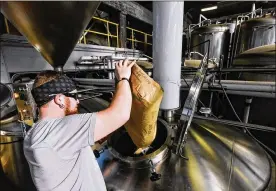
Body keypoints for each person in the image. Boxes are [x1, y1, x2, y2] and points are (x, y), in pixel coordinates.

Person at [23, 59, 135, 191]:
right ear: (59, 99)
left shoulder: (32, 134)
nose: (77, 101)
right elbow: (120, 114)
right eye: (73, 95)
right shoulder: (63, 128)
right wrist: (123, 78)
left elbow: (66, 150)